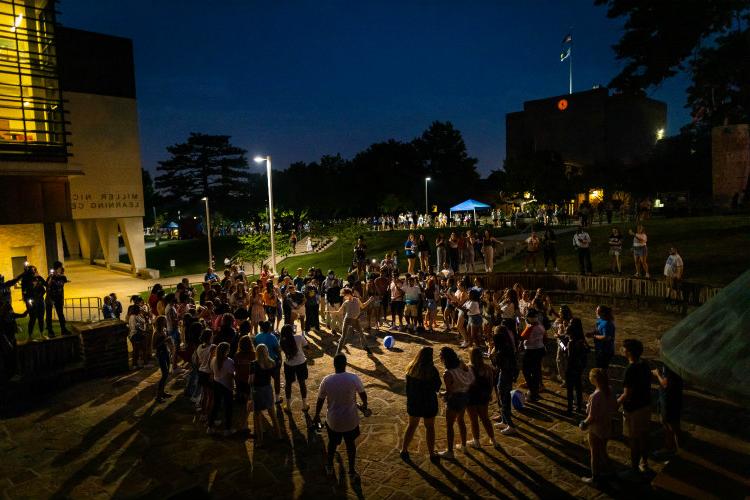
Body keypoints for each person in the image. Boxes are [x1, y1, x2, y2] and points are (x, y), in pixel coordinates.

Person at [313, 353, 369, 478]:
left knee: (332, 444)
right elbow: (363, 394)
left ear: (334, 365)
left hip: (334, 421)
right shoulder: (353, 378)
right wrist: (364, 405)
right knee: (350, 446)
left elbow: (320, 399)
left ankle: (329, 465)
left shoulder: (327, 380)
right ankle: (351, 470)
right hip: (351, 420)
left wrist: (316, 414)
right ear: (345, 364)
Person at [617, 339, 652, 481]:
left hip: (634, 409)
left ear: (629, 352)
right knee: (643, 436)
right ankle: (644, 463)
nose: (621, 350)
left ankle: (634, 469)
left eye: (623, 348)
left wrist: (615, 403)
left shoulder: (630, 370)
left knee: (634, 440)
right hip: (645, 405)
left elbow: (627, 394)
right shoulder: (644, 364)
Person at [400, 347, 442, 462]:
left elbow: (407, 388)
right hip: (429, 403)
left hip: (415, 403)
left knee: (411, 426)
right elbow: (437, 386)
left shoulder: (411, 369)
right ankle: (431, 453)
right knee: (430, 428)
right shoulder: (432, 370)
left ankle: (404, 450)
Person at [579, 368, 618, 484]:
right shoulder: (610, 390)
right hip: (607, 425)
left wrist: (583, 423)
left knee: (594, 453)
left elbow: (592, 416)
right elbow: (615, 406)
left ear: (595, 379)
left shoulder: (595, 396)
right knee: (603, 451)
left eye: (591, 376)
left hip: (596, 428)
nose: (589, 378)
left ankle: (595, 477)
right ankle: (611, 471)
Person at [437, 347, 474, 458]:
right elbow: (468, 373)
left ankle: (450, 451)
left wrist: (441, 394)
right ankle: (463, 446)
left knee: (449, 426)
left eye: (440, 355)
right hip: (465, 396)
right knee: (461, 421)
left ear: (444, 358)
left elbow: (450, 392)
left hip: (455, 400)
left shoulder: (447, 374)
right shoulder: (461, 364)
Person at [249, 344, 282, 445]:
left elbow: (250, 380)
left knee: (257, 416)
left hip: (257, 390)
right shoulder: (271, 363)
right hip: (268, 389)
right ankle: (279, 435)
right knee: (272, 413)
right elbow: (275, 377)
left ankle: (260, 440)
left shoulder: (253, 364)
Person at [466, 347, 498, 448]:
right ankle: (493, 440)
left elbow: (468, 384)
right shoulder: (487, 368)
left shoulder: (469, 368)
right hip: (483, 396)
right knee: (485, 419)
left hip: (471, 397)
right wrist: (489, 393)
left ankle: (476, 441)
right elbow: (491, 382)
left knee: (474, 420)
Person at [652, 362, 683, 459]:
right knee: (674, 422)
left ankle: (669, 448)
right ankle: (679, 446)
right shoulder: (677, 361)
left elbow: (665, 384)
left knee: (667, 423)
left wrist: (657, 374)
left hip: (668, 398)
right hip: (676, 395)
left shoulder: (669, 365)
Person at [491, 326, 518, 435]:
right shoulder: (508, 346)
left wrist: (492, 355)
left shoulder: (501, 352)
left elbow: (496, 364)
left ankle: (511, 425)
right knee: (505, 400)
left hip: (504, 377)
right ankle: (503, 420)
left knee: (504, 401)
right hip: (508, 375)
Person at [207, 342, 236, 436]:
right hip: (226, 386)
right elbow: (230, 377)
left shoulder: (213, 360)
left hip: (216, 384)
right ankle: (227, 429)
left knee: (216, 405)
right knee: (228, 408)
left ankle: (210, 427)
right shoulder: (229, 361)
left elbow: (212, 371)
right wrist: (232, 387)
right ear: (227, 351)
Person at [280, 324, 309, 412]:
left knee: (288, 384)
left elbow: (281, 350)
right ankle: (304, 405)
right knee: (302, 383)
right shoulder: (299, 337)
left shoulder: (282, 341)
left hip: (289, 364)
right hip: (301, 362)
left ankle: (288, 406)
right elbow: (307, 346)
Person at [520, 311, 546, 401]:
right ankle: (534, 391)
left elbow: (522, 337)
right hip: (540, 349)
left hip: (531, 351)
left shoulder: (530, 327)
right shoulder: (540, 325)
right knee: (536, 371)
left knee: (526, 370)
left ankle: (533, 391)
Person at [254, 320, 283, 403]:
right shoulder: (273, 337)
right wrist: (280, 360)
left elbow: (256, 347)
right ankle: (277, 398)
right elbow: (277, 350)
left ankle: (264, 397)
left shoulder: (257, 336)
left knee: (264, 381)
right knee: (276, 379)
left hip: (261, 362)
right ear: (270, 328)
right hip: (272, 361)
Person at [565, 318, 589, 414]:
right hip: (579, 367)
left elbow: (570, 357)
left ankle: (570, 408)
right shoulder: (581, 340)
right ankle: (578, 406)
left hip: (571, 368)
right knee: (578, 387)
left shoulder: (571, 343)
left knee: (570, 389)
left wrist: (564, 347)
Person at [587, 305, 615, 371]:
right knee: (598, 365)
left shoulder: (607, 324)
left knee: (602, 368)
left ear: (602, 313)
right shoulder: (600, 320)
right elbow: (598, 330)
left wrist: (593, 336)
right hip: (600, 349)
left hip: (605, 350)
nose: (595, 311)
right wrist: (592, 333)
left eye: (597, 310)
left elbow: (606, 337)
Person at [45, 261, 70, 336]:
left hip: (59, 299)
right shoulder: (50, 277)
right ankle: (50, 331)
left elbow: (64, 282)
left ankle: (63, 330)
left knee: (61, 315)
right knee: (49, 315)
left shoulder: (62, 277)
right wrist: (51, 277)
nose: (61, 269)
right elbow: (47, 286)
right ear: (57, 268)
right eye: (60, 267)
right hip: (50, 298)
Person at [152, 315, 172, 403]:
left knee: (167, 373)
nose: (166, 322)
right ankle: (158, 396)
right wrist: (164, 341)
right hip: (160, 354)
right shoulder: (156, 333)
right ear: (160, 322)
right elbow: (154, 346)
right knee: (164, 374)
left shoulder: (164, 330)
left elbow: (166, 341)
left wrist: (169, 342)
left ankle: (162, 392)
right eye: (164, 321)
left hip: (166, 352)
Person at [553, 304, 573, 385]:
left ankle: (565, 379)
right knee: (562, 359)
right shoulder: (560, 320)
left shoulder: (567, 321)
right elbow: (554, 326)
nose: (559, 312)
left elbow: (567, 334)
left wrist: (559, 335)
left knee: (560, 359)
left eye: (560, 311)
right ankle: (564, 376)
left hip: (563, 342)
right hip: (560, 342)